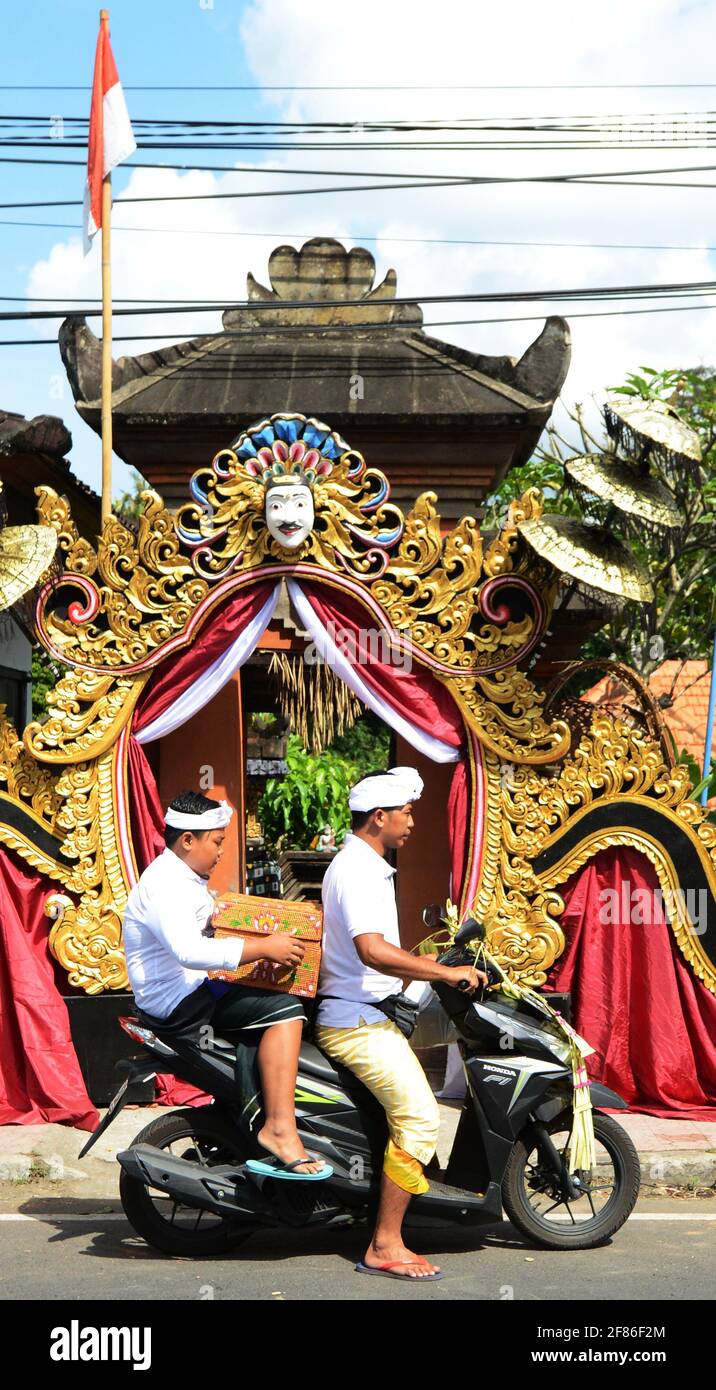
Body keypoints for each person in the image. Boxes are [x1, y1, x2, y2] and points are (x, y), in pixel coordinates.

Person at [315, 766, 487, 1280]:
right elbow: (373, 952)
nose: (412, 821)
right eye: (406, 812)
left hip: (373, 1011)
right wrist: (445, 972)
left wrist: (439, 964)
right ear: (379, 817)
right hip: (356, 1022)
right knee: (419, 1117)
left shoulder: (364, 864)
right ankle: (385, 1243)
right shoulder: (359, 870)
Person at [123, 790, 328, 1179]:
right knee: (286, 1009)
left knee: (283, 994)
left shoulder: (181, 877)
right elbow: (189, 952)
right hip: (180, 1004)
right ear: (188, 840)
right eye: (216, 842)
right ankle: (280, 1128)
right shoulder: (166, 884)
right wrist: (264, 947)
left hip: (194, 991)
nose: (220, 852)